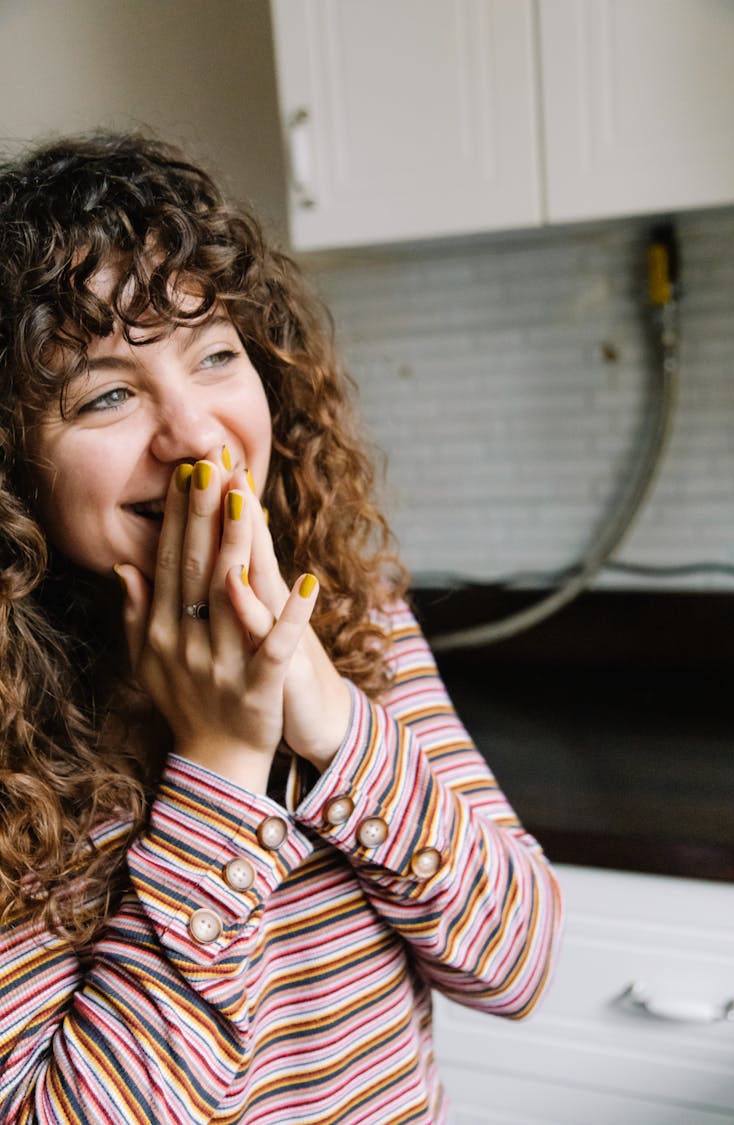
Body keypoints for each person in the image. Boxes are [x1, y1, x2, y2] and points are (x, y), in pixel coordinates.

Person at [0, 132, 562, 1125]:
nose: (197, 435)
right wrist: (219, 764)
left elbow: (518, 963)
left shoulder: (352, 611)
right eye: (107, 393)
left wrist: (330, 714)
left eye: (215, 354)